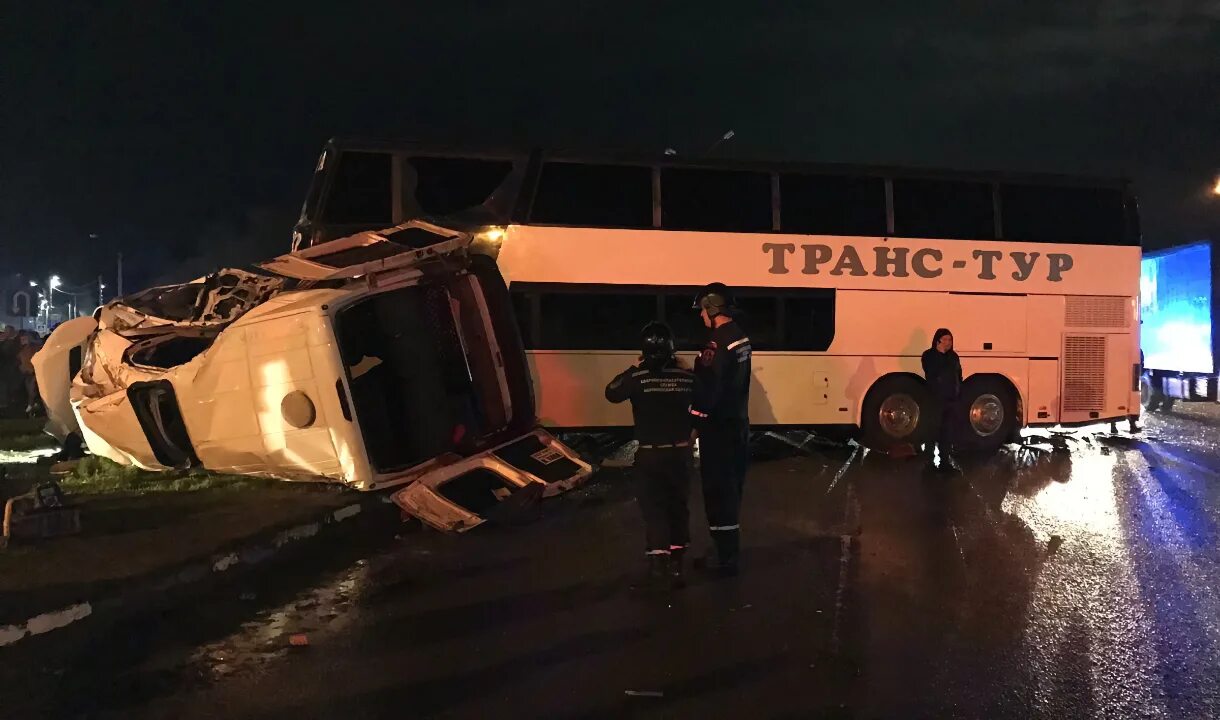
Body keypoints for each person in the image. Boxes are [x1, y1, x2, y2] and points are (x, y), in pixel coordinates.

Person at [605, 321, 696, 588]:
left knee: (654, 508)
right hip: (680, 455)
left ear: (643, 351)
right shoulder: (687, 378)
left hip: (650, 456)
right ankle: (678, 561)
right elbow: (708, 400)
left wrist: (637, 366)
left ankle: (659, 563)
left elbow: (611, 392)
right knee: (678, 507)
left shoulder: (637, 378)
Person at [689, 283, 752, 576]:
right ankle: (728, 550)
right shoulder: (740, 337)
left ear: (712, 309)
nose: (701, 316)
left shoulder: (716, 343)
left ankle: (724, 557)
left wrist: (694, 424)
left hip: (718, 431)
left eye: (703, 310)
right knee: (732, 489)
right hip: (738, 425)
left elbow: (708, 390)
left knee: (717, 492)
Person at [921, 328, 962, 471]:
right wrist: (941, 354)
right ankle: (929, 461)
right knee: (932, 430)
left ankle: (945, 461)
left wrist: (958, 391)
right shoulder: (929, 355)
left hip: (950, 399)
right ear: (938, 340)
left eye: (950, 340)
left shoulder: (954, 357)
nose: (949, 342)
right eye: (945, 339)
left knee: (947, 431)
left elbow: (958, 375)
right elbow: (931, 372)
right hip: (935, 399)